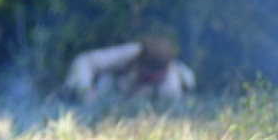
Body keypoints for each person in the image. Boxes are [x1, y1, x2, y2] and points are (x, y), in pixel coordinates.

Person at [62, 35, 196, 103]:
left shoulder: (171, 86)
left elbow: (166, 115)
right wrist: (85, 90)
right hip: (102, 99)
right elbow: (85, 61)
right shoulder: (131, 53)